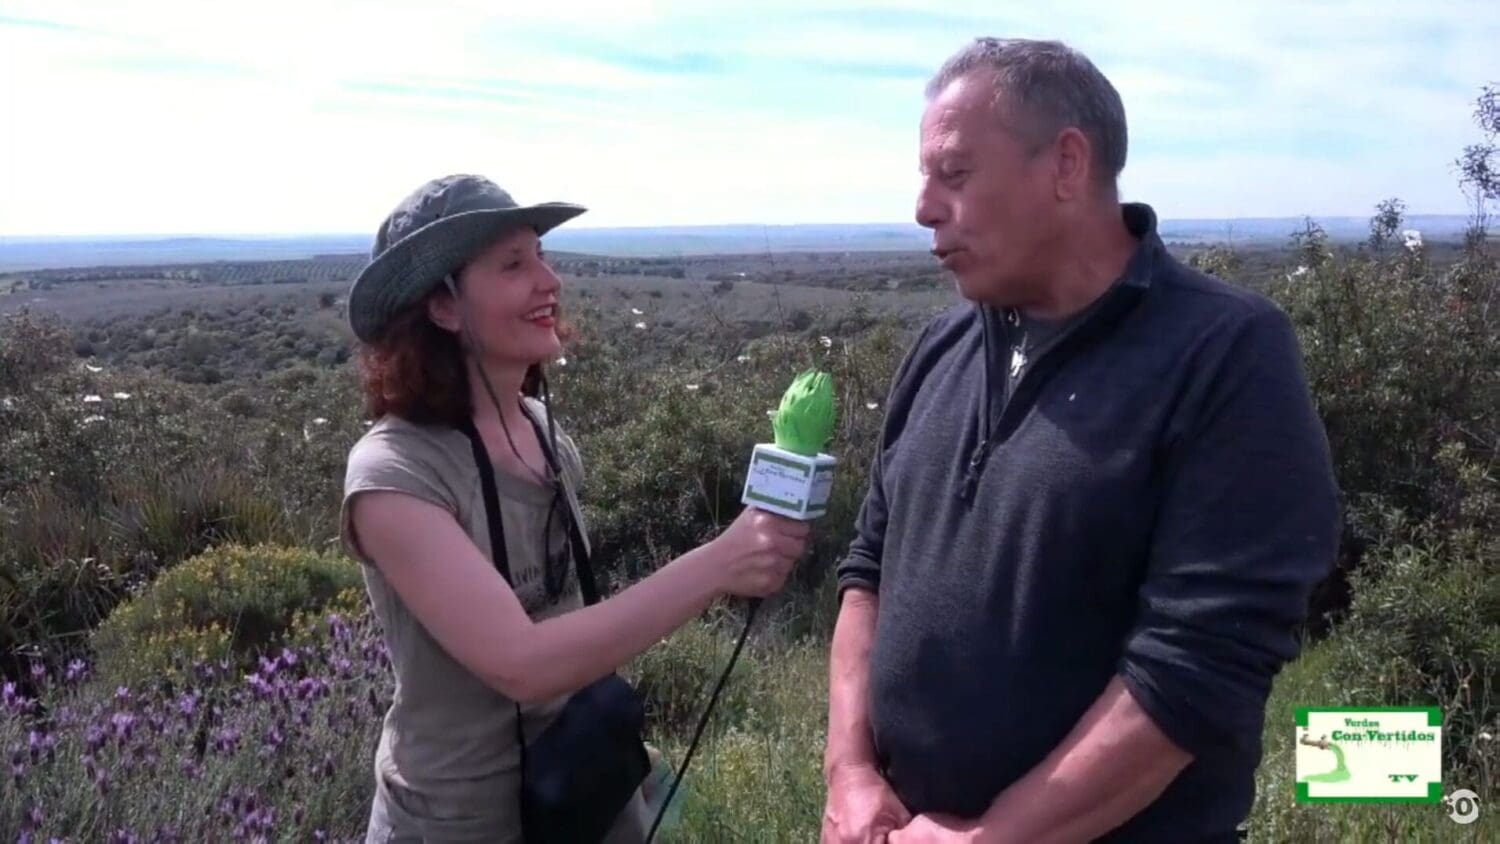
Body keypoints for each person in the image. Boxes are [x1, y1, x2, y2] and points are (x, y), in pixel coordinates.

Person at [821, 38, 1340, 844]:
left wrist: (994, 840)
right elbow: (867, 572)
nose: (923, 207)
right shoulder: (940, 347)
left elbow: (1196, 669)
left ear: (1067, 165)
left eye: (954, 174)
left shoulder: (1225, 353)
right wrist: (849, 773)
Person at [339, 173, 810, 843]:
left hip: (586, 796)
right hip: (459, 823)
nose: (549, 281)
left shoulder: (544, 431)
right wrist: (719, 564)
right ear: (443, 308)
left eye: (541, 256)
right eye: (513, 265)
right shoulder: (394, 475)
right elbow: (521, 664)